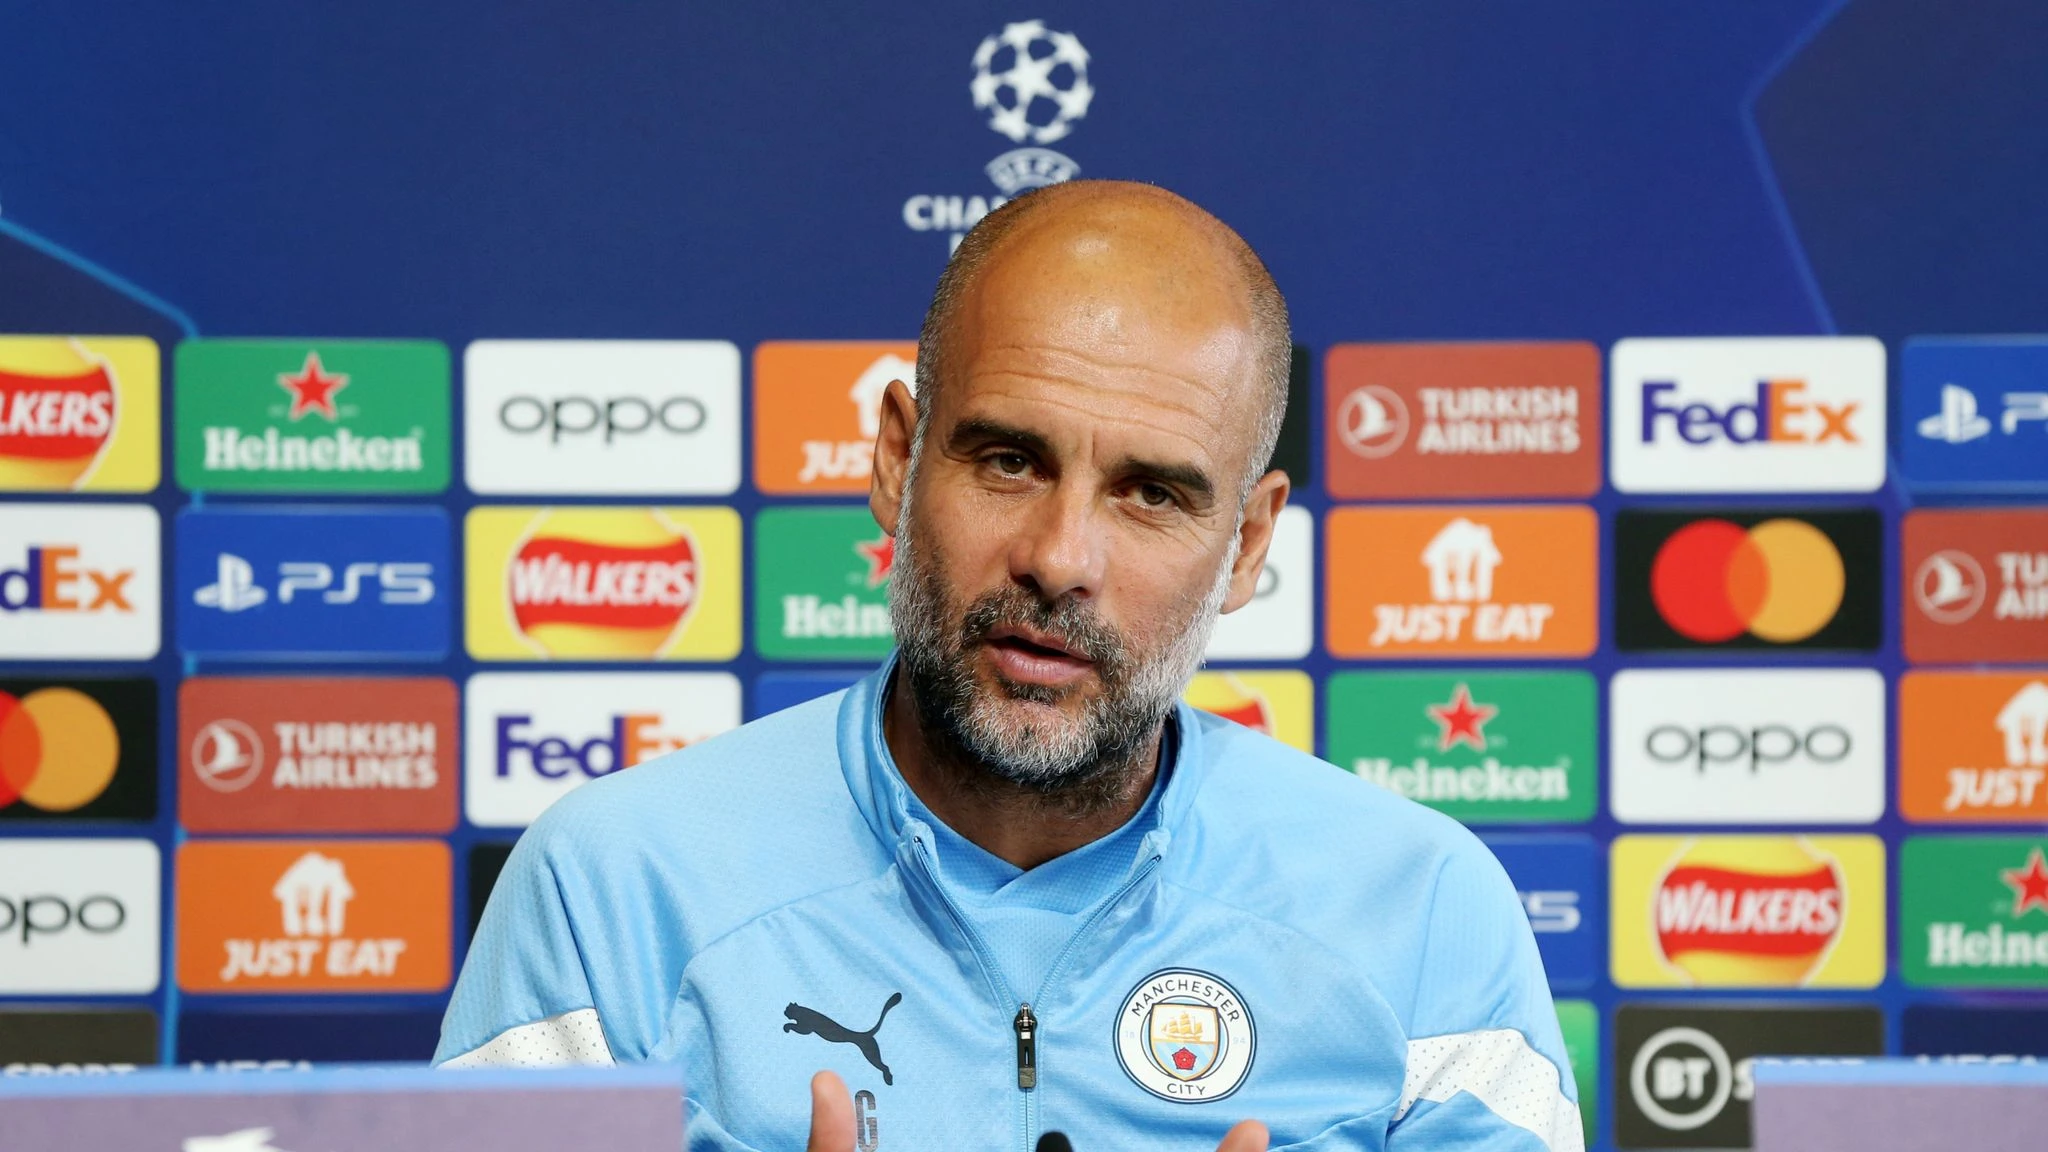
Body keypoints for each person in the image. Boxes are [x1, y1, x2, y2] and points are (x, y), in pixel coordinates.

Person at [437, 180, 1582, 1152]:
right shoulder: (611, 889)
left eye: (1150, 493)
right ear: (896, 462)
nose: (1059, 558)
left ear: (1244, 544)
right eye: (1007, 460)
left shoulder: (1425, 914)